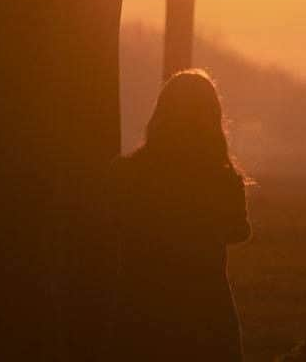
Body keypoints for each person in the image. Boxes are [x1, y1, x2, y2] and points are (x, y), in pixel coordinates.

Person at [106, 69, 251, 361]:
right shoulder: (221, 179)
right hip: (206, 310)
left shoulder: (127, 173)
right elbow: (239, 231)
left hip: (141, 307)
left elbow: (110, 226)